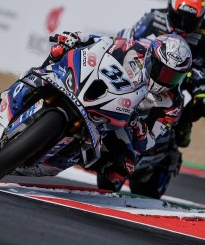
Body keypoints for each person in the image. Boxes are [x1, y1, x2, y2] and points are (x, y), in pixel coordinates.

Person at [45, 32, 192, 191]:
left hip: (122, 122)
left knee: (124, 166)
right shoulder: (135, 49)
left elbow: (149, 141)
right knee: (60, 52)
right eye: (162, 70)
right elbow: (104, 41)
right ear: (151, 57)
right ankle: (40, 79)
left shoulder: (172, 103)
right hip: (101, 88)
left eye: (173, 76)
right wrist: (78, 37)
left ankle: (78, 156)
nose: (165, 79)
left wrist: (141, 130)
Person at [118, 0, 205, 148]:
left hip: (185, 75)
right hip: (148, 67)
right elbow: (130, 38)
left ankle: (184, 124)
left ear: (200, 19)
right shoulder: (154, 16)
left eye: (190, 21)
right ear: (169, 8)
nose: (183, 24)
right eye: (179, 17)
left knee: (204, 101)